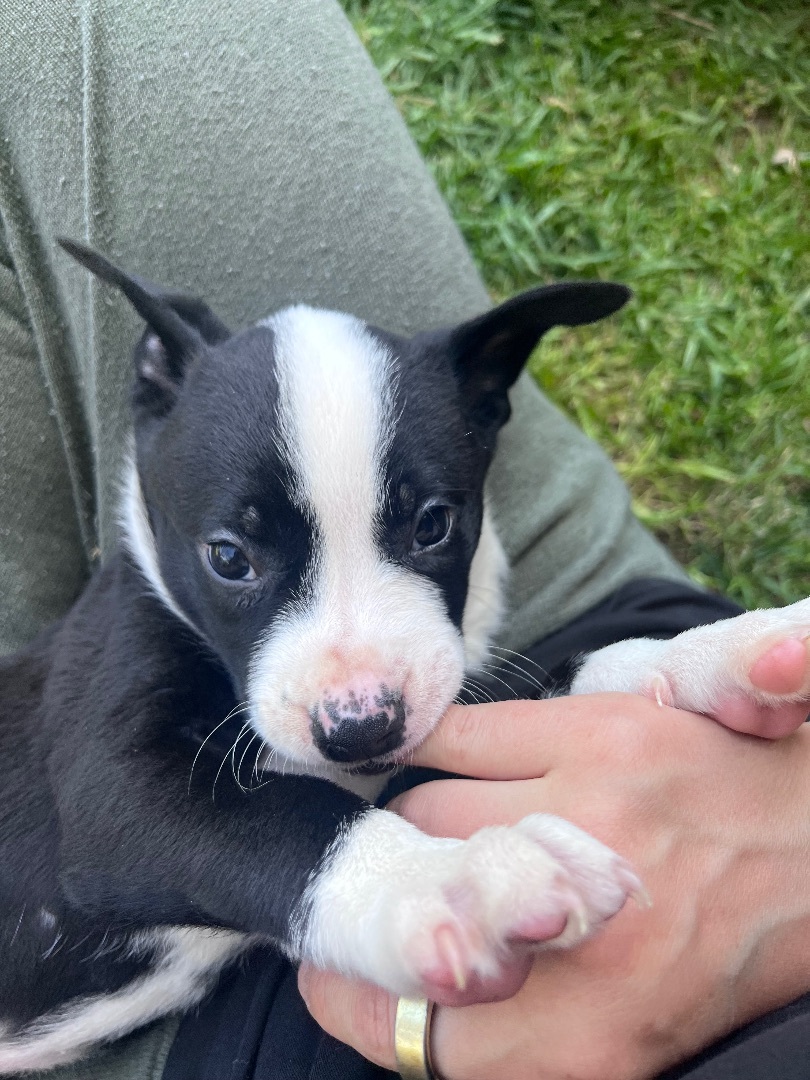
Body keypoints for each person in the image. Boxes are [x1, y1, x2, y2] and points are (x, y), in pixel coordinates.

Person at [0, 2, 807, 1078]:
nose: (359, 696)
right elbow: (115, 830)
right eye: (237, 561)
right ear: (153, 434)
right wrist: (672, 682)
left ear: (487, 409)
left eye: (424, 531)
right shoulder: (139, 642)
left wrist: (400, 895)